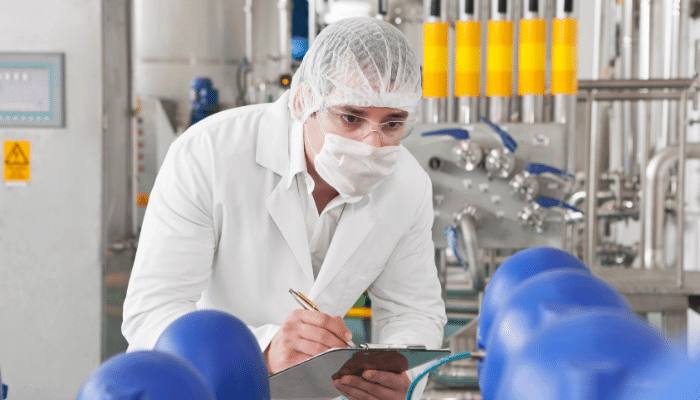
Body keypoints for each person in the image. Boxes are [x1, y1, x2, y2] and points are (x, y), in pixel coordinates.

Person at [122, 16, 446, 400]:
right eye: (350, 118)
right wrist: (259, 351)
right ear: (304, 101)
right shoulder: (208, 153)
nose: (371, 144)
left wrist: (403, 378)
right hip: (206, 387)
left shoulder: (407, 184)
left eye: (392, 124)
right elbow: (152, 312)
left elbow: (414, 311)